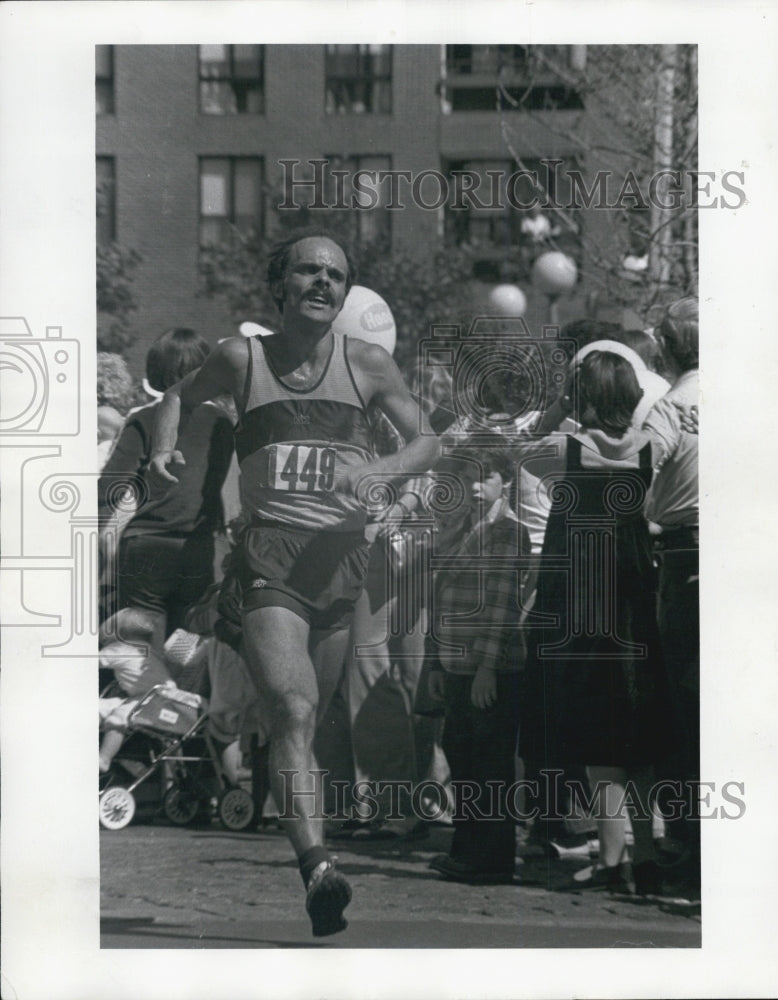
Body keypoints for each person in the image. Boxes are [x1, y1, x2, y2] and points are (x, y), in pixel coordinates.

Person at [146, 229, 440, 936]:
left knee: (312, 719)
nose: (322, 283)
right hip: (270, 559)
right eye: (307, 271)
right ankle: (317, 868)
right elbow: (173, 398)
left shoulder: (366, 363)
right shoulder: (240, 358)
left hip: (341, 562)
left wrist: (379, 471)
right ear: (279, 287)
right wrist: (162, 447)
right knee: (295, 708)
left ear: (345, 291)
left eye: (335, 275)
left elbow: (429, 439)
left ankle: (312, 847)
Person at [520, 351, 669, 895]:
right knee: (638, 730)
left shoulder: (567, 448)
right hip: (633, 600)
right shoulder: (650, 449)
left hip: (583, 603)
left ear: (583, 395)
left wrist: (558, 405)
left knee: (596, 734)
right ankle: (646, 857)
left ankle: (610, 861)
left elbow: (516, 450)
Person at [424, 438, 531, 884]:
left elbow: (503, 601)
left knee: (490, 763)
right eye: (468, 477)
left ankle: (492, 857)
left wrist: (487, 667)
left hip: (490, 666)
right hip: (454, 661)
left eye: (484, 477)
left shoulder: (508, 530)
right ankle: (467, 849)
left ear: (504, 482)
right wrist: (433, 661)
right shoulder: (456, 527)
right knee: (461, 754)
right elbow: (438, 598)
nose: (474, 486)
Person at [99, 328, 235, 655]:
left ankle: (138, 698)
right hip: (198, 545)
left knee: (137, 647)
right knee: (183, 643)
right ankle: (178, 700)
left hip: (145, 544)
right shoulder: (224, 424)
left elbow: (109, 488)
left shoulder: (144, 419)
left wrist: (106, 544)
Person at [642, 296, 700, 895]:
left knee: (685, 709)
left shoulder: (672, 407)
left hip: (686, 559)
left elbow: (633, 478)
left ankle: (689, 849)